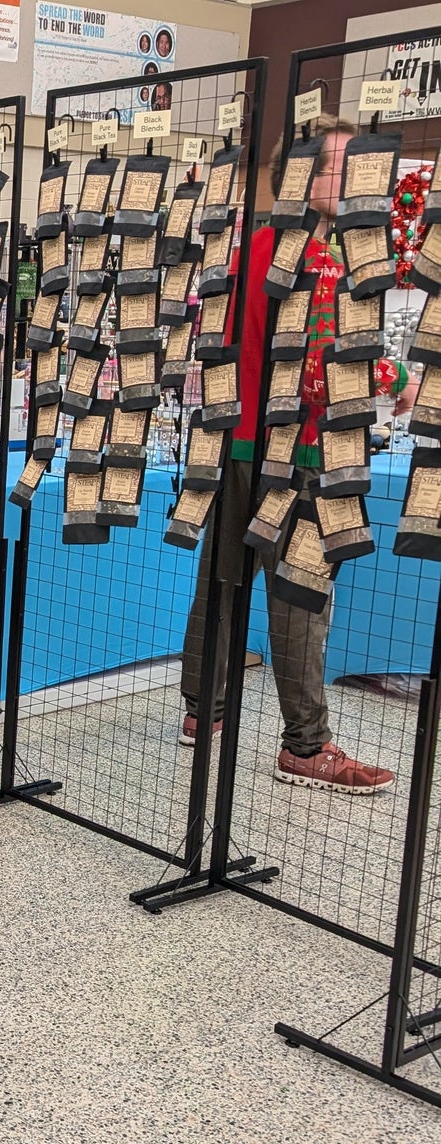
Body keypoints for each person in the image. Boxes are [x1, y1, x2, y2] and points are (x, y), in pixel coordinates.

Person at [178, 112, 415, 794]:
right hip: (299, 449)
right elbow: (330, 353)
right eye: (336, 164)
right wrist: (398, 379)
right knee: (302, 596)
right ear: (301, 174)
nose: (347, 178)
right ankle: (307, 744)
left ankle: (204, 709)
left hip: (233, 441)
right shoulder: (318, 255)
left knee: (223, 582)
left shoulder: (253, 247)